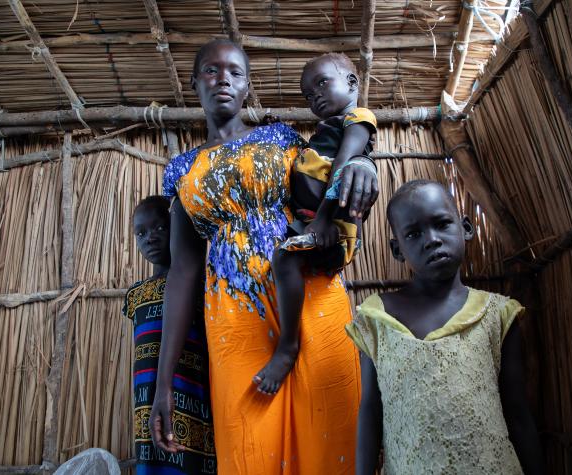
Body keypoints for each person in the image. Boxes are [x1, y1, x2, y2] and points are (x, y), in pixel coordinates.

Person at [151, 39, 378, 474]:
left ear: (247, 87)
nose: (223, 79)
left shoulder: (282, 138)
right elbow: (182, 273)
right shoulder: (180, 170)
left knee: (332, 440)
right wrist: (163, 386)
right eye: (212, 71)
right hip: (235, 322)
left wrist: (364, 165)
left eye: (235, 72)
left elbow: (333, 174)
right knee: (248, 450)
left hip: (312, 301)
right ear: (194, 82)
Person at [347, 180, 544, 474]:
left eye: (441, 224)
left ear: (466, 228)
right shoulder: (377, 319)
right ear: (397, 248)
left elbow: (517, 412)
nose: (432, 239)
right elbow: (371, 412)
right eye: (413, 234)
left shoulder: (497, 315)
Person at [253, 53, 377, 395]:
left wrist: (322, 220)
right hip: (311, 221)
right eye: (308, 95)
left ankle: (288, 346)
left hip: (332, 226)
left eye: (322, 83)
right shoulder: (327, 130)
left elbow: (342, 163)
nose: (315, 97)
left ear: (351, 83)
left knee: (284, 258)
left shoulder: (358, 119)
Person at [123, 196, 215, 474]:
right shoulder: (135, 295)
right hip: (147, 396)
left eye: (160, 229)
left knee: (192, 458)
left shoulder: (203, 287)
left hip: (194, 392)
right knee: (153, 458)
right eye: (141, 233)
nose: (150, 238)